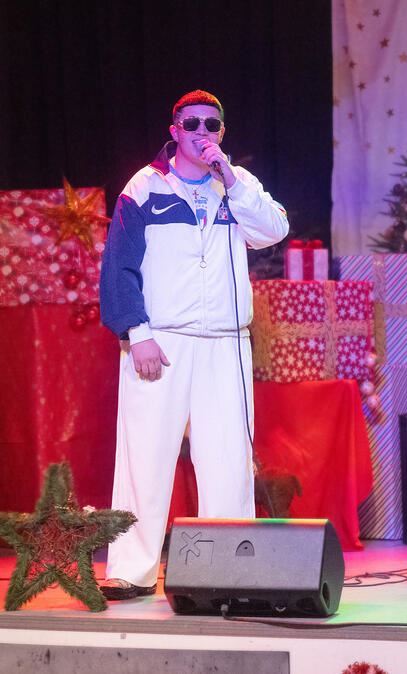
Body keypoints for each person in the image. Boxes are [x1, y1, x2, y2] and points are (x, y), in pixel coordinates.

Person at [98, 90, 289, 599]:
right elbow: (118, 266)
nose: (201, 132)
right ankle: (131, 569)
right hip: (160, 341)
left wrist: (230, 177)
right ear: (175, 129)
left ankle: (229, 569)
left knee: (228, 457)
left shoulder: (237, 185)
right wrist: (135, 332)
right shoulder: (145, 186)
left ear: (221, 133)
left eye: (211, 124)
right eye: (192, 123)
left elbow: (274, 230)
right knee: (145, 454)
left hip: (225, 343)